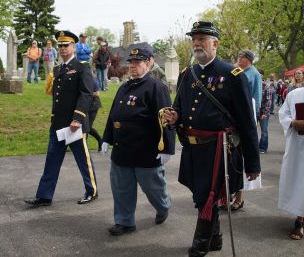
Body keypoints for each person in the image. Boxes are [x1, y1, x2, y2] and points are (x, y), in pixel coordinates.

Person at [163, 21, 260, 257]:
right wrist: (174, 117)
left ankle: (200, 245)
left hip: (219, 149)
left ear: (214, 43)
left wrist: (253, 163)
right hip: (194, 148)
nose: (196, 43)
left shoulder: (232, 74)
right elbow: (179, 109)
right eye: (194, 39)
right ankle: (215, 239)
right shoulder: (188, 75)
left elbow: (247, 122)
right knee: (201, 195)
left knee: (206, 196)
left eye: (202, 39)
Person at [102, 48, 176, 236]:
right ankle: (124, 221)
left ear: (149, 62)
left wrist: (167, 147)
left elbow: (165, 119)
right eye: (131, 62)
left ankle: (163, 206)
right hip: (122, 150)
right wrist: (107, 138)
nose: (133, 66)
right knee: (121, 188)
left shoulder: (156, 87)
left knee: (153, 188)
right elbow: (114, 116)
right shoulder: (123, 87)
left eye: (138, 62)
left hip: (146, 150)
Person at [24, 30, 98, 207]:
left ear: (73, 46)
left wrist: (78, 118)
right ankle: (44, 196)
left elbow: (86, 95)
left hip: (75, 125)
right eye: (60, 45)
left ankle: (92, 191)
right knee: (52, 161)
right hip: (58, 124)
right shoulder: (58, 69)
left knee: (83, 161)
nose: (63, 48)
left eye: (66, 45)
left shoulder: (82, 67)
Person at [232, 49, 262, 210]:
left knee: (242, 157)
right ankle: (229, 193)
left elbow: (256, 99)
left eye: (240, 57)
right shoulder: (236, 71)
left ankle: (239, 197)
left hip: (245, 120)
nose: (238, 59)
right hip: (234, 120)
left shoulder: (254, 74)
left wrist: (253, 119)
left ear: (247, 60)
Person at [278, 86, 304, 240]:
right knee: (300, 181)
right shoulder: (295, 94)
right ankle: (300, 219)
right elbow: (283, 114)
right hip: (298, 145)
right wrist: (293, 122)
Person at [258, 69, 273, 154]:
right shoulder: (252, 84)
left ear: (262, 76)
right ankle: (255, 146)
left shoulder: (266, 86)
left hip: (263, 112)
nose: (258, 75)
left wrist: (265, 112)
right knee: (252, 130)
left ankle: (263, 148)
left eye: (260, 74)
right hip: (254, 111)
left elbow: (269, 100)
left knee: (264, 131)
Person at [88, 77, 103, 151]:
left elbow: (97, 94)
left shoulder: (93, 80)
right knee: (83, 127)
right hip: (84, 106)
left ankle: (100, 140)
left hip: (93, 106)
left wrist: (86, 92)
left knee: (88, 127)